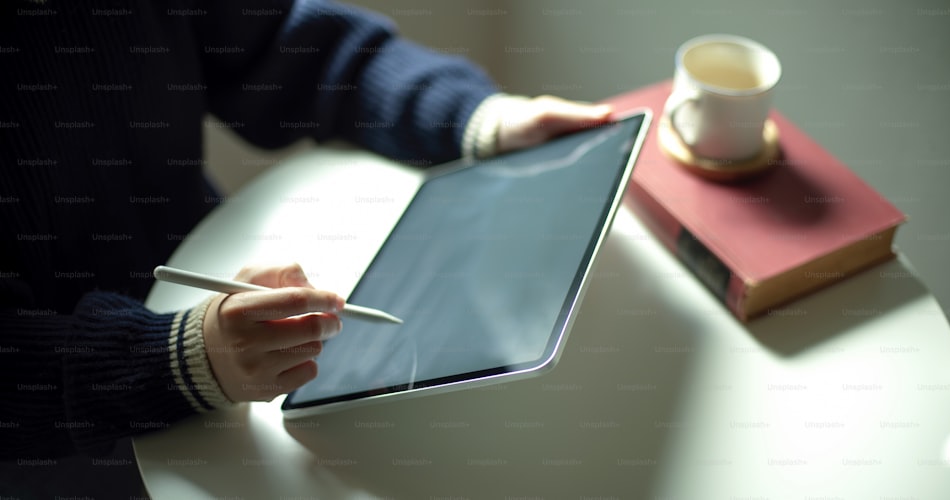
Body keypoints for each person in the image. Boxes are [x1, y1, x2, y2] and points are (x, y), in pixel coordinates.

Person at [0, 0, 612, 460]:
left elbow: (293, 44)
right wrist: (175, 361)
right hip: (66, 439)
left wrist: (479, 119)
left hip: (212, 298)